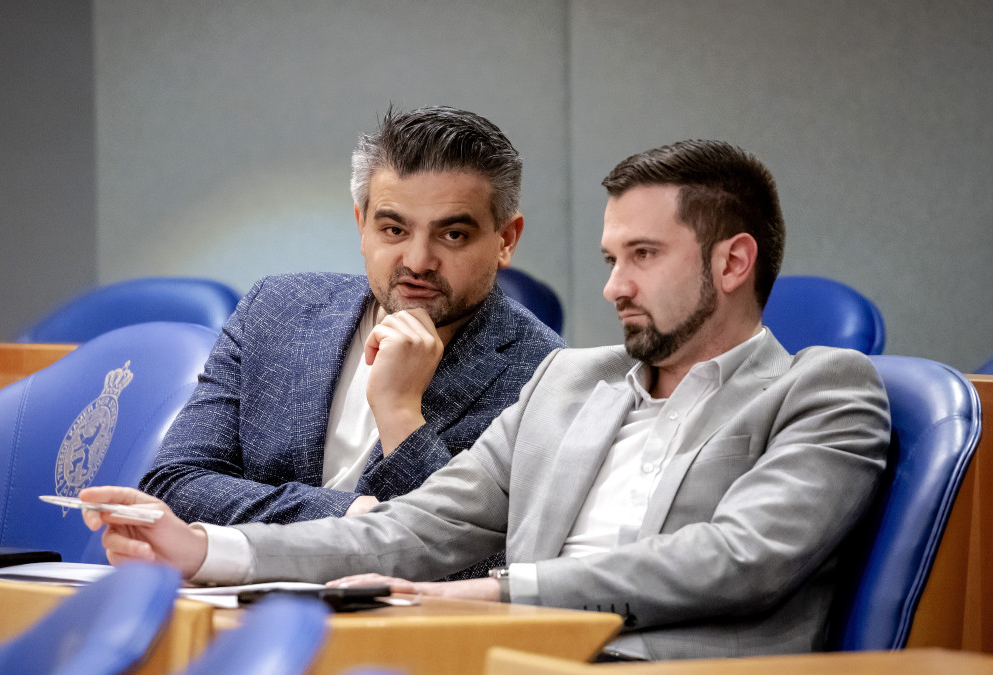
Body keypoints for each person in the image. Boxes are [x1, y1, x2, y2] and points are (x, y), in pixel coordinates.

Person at [83, 139, 890, 661]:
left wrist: (501, 591)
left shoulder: (823, 389)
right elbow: (422, 526)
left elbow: (737, 560)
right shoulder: (571, 380)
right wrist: (208, 550)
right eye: (611, 256)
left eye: (643, 255)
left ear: (733, 261)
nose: (613, 286)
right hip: (503, 652)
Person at [137, 105, 564, 540]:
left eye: (452, 234)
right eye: (394, 230)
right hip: (238, 597)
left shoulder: (547, 377)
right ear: (362, 226)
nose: (417, 262)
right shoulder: (275, 310)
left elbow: (481, 555)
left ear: (505, 240)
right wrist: (351, 515)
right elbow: (172, 487)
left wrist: (400, 415)